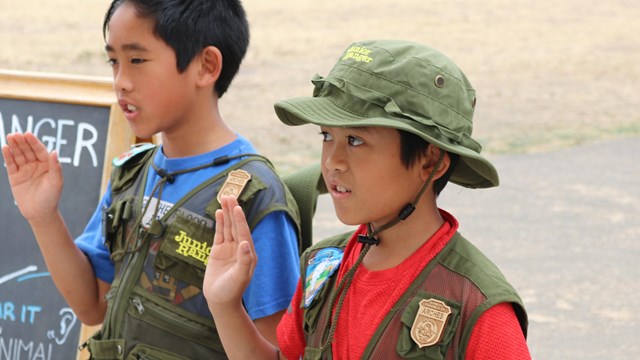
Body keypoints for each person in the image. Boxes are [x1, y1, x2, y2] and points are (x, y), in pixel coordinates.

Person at [1, 0, 301, 358]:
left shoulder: (253, 197)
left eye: (137, 60)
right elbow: (92, 305)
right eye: (114, 61)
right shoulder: (134, 173)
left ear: (205, 66)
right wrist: (43, 216)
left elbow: (280, 350)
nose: (120, 82)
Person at [203, 39, 531, 359]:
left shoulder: (475, 306)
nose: (333, 161)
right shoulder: (324, 266)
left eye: (356, 140)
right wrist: (225, 305)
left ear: (430, 161)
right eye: (327, 136)